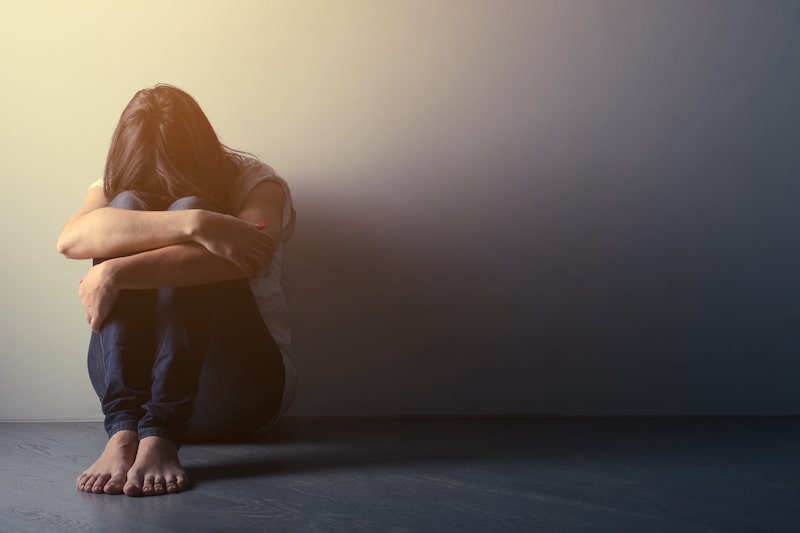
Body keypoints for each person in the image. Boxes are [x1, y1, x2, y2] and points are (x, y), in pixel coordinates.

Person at [56, 84, 297, 497]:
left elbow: (250, 254)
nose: (159, 182)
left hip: (235, 395)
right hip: (126, 402)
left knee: (185, 205)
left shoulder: (258, 184)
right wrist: (197, 225)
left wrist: (115, 272)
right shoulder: (114, 184)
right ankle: (124, 434)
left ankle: (162, 432)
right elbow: (71, 240)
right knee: (126, 206)